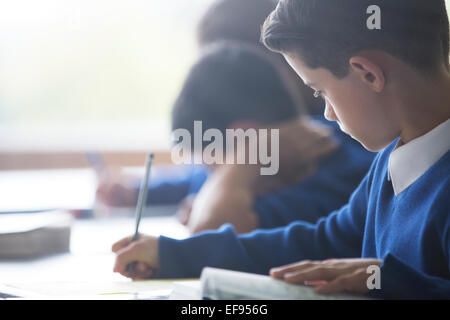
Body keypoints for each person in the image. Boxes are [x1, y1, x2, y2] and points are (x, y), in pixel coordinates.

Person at [112, 0, 450, 299]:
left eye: (320, 92)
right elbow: (321, 242)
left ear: (368, 74)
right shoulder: (390, 164)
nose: (327, 114)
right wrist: (174, 255)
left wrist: (388, 281)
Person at [171, 41, 374, 234]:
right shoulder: (317, 139)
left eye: (215, 166)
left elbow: (208, 237)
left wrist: (240, 169)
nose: (216, 175)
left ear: (245, 137)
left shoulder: (330, 187)